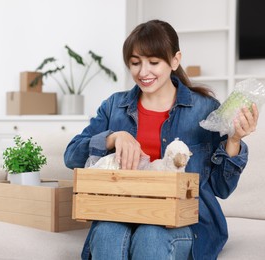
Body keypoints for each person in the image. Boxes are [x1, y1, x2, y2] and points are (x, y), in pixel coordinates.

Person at [64, 19, 259, 260]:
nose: (143, 72)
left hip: (186, 222)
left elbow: (222, 188)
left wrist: (234, 140)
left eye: (153, 62)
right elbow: (71, 155)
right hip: (121, 212)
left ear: (175, 60)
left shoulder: (205, 110)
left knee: (151, 235)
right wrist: (114, 137)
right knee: (106, 232)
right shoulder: (114, 106)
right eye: (135, 63)